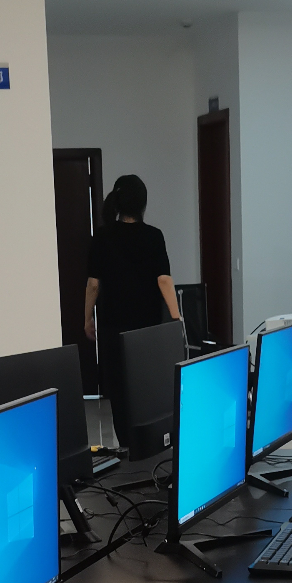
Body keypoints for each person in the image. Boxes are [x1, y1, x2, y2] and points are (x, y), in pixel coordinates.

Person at [84, 174, 179, 408]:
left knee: (117, 392)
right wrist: (177, 319)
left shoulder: (102, 236)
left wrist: (87, 319)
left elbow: (93, 284)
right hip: (147, 329)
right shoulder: (154, 236)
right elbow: (164, 281)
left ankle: (122, 432)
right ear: (142, 204)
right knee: (145, 389)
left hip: (112, 328)